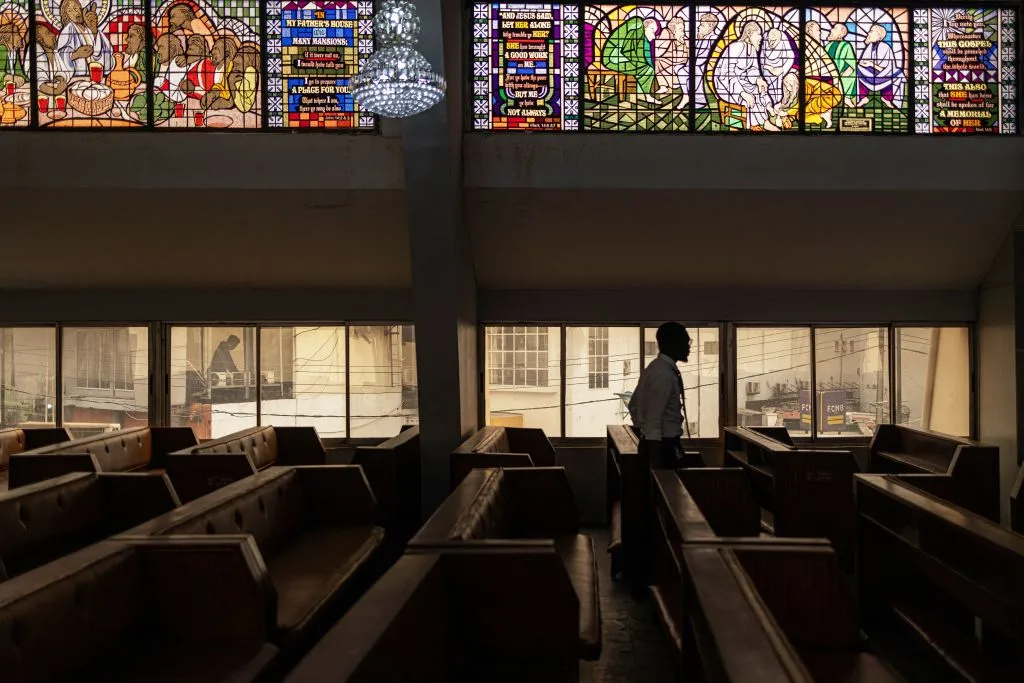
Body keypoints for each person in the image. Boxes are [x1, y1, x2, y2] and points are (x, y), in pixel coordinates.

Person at [628, 322, 691, 469]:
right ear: (672, 343)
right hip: (662, 447)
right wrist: (656, 467)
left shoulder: (655, 367)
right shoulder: (664, 374)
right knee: (666, 487)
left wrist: (641, 431)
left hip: (659, 444)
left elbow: (633, 406)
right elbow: (653, 422)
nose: (689, 347)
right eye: (686, 342)